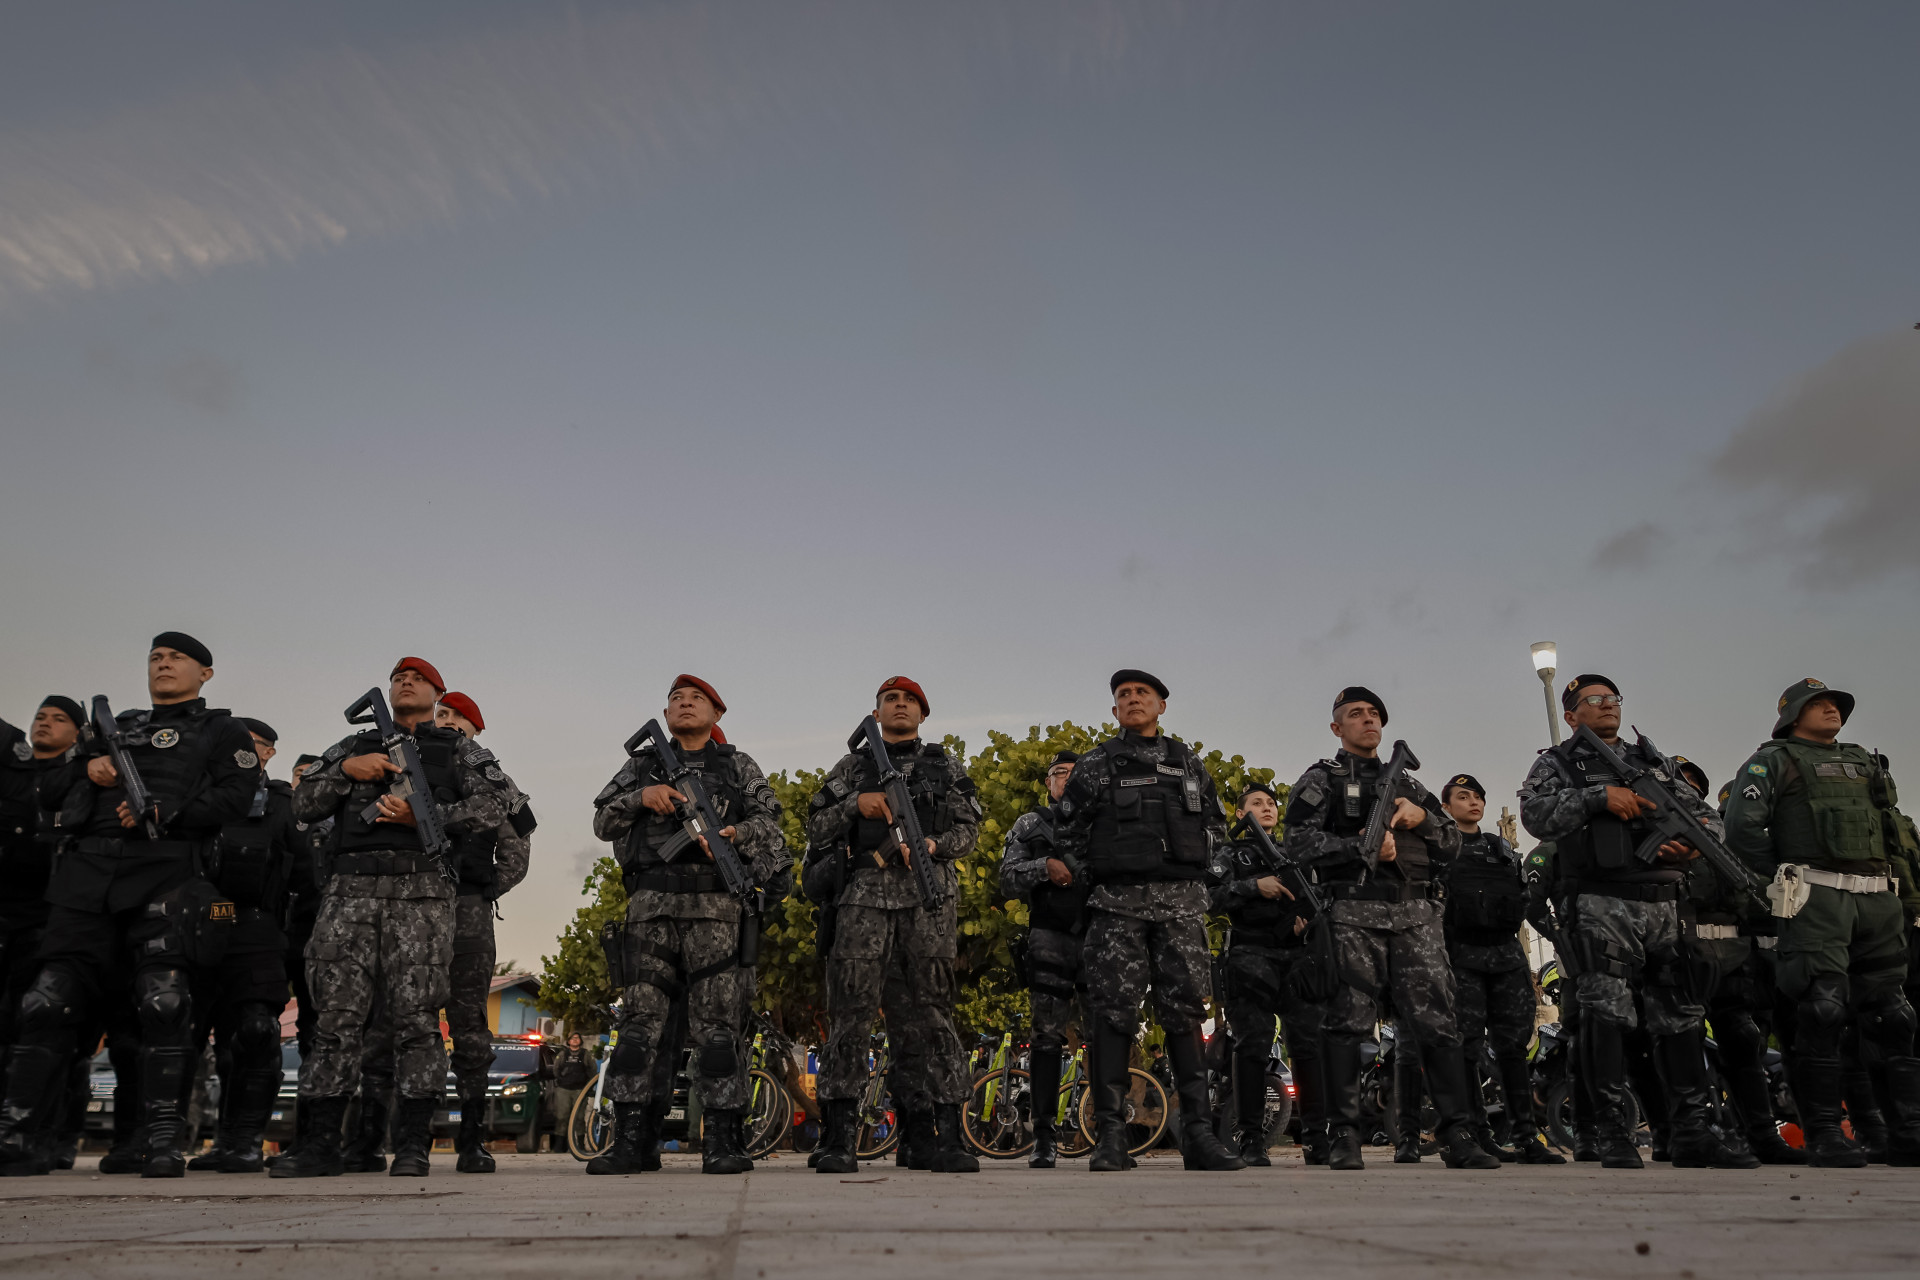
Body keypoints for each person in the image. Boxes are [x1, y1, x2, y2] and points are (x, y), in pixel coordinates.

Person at [0, 633, 258, 1178]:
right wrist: (83, 770)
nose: (163, 664)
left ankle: (159, 1142)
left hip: (164, 876)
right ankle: (16, 1135)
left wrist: (171, 809)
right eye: (156, 658)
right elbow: (45, 792)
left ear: (205, 674)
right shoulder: (110, 729)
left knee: (163, 1005)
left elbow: (237, 797)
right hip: (86, 880)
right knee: (45, 1003)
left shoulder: (220, 730)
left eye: (177, 658)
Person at [274, 657, 507, 1179]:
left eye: (418, 678)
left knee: (417, 1022)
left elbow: (498, 805)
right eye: (399, 676)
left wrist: (432, 816)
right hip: (349, 892)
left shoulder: (459, 749)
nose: (406, 681)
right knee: (336, 1019)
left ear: (437, 693)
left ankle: (412, 1145)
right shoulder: (352, 745)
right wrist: (343, 772)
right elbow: (302, 804)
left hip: (420, 894)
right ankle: (319, 1144)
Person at [1519, 674, 1753, 1170]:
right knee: (1605, 1015)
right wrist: (1597, 799)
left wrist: (1689, 845)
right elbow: (1536, 816)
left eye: (1613, 699)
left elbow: (1706, 817)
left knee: (1680, 1014)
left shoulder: (1654, 761)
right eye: (1594, 700)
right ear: (1570, 715)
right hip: (1602, 901)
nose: (1607, 706)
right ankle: (1610, 1133)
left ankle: (1691, 1130)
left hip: (1663, 900)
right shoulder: (1558, 762)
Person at [1283, 686, 1496, 1171]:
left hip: (1417, 918)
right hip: (1353, 915)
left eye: (1374, 713)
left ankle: (1457, 1134)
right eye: (1355, 714)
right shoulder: (1321, 779)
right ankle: (1344, 1138)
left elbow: (1450, 845)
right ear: (1337, 728)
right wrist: (1357, 849)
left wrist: (1422, 820)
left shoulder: (1413, 788)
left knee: (1439, 1025)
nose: (1367, 720)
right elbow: (1295, 842)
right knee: (1346, 1025)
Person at [588, 675, 787, 1176]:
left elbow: (772, 824)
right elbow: (603, 821)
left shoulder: (738, 766)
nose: (684, 703)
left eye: (696, 698)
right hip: (651, 908)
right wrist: (642, 796)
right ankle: (632, 1139)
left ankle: (722, 1139)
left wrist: (734, 833)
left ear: (717, 714)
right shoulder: (642, 765)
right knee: (638, 1030)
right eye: (676, 698)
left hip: (717, 910)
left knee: (719, 1032)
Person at [1051, 670, 1244, 1172]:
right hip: (1118, 907)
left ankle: (1199, 1136)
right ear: (1114, 712)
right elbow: (1067, 831)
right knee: (1112, 1016)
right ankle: (1110, 1136)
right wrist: (1090, 876)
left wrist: (1213, 873)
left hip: (1181, 907)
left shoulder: (1187, 763)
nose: (1132, 700)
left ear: (1161, 705)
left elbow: (1216, 826)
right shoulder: (1095, 765)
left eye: (1142, 693)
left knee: (1184, 1016)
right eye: (1123, 696)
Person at [1723, 679, 1920, 1167]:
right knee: (1824, 1010)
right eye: (1818, 704)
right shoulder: (1773, 760)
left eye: (1835, 703)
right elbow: (1741, 828)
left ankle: (1906, 1133)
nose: (1831, 708)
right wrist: (1785, 878)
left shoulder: (1863, 761)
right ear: (1791, 714)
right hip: (1818, 896)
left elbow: (1892, 832)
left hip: (1877, 898)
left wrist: (1908, 896)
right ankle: (1827, 1134)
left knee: (1894, 1016)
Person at [807, 677, 981, 1175]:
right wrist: (853, 805)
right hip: (862, 902)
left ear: (922, 715)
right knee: (851, 1017)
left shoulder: (943, 765)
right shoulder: (853, 766)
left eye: (909, 700)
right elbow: (814, 825)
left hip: (928, 902)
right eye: (890, 699)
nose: (900, 704)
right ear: (877, 712)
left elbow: (969, 829)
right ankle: (840, 1137)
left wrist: (933, 845)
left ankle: (937, 1135)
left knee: (929, 1019)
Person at [186, 717, 300, 1173]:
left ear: (269, 753)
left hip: (254, 926)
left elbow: (308, 873)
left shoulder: (280, 805)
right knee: (186, 1033)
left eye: (251, 746)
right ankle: (196, 1140)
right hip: (199, 925)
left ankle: (246, 1140)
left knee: (255, 1032)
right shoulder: (196, 798)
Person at [430, 691, 536, 1174]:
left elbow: (517, 844)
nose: (443, 721)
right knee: (403, 1018)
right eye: (440, 713)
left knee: (469, 1023)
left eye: (452, 715)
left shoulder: (492, 777)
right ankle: (398, 1134)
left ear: (473, 727)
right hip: (410, 904)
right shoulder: (409, 762)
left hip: (467, 909)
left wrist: (486, 886)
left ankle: (471, 1140)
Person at [1438, 774, 1564, 1165]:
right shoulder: (1441, 849)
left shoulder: (1502, 849)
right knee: (1467, 1049)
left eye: (1478, 796)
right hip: (1463, 958)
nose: (1473, 802)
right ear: (1445, 807)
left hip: (1506, 958)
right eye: (1463, 796)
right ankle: (1477, 1134)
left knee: (1513, 1048)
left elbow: (1523, 896)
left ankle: (1527, 1136)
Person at [1206, 779, 1329, 1166]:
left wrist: (1304, 924)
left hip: (1295, 958)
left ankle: (1315, 1137)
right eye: (1257, 803)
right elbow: (1206, 897)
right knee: (1253, 1047)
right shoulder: (1230, 854)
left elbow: (1320, 900)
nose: (1268, 807)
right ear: (1241, 814)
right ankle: (1250, 1137)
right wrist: (1253, 887)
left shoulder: (1296, 854)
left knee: (1307, 1047)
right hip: (1249, 955)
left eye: (1272, 803)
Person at [998, 750, 1090, 1169]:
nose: (1065, 780)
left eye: (1073, 773)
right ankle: (1045, 1135)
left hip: (1102, 939)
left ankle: (1109, 1132)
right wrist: (1044, 866)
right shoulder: (1031, 824)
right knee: (1046, 1040)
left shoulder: (1103, 821)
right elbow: (1006, 878)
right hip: (1049, 939)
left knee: (1108, 1035)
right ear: (1048, 784)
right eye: (1057, 774)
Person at [549, 1031, 596, 1145]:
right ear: (568, 1041)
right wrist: (561, 1080)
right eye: (572, 1038)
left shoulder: (586, 1054)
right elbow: (556, 1069)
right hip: (563, 1090)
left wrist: (588, 1086)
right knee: (562, 1117)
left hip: (580, 1090)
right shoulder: (563, 1054)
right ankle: (560, 1145)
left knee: (579, 1118)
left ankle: (580, 1145)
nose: (575, 1040)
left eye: (577, 1038)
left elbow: (593, 1070)